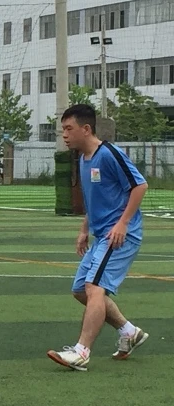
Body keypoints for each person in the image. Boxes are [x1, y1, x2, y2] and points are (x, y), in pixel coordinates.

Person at [47, 104, 149, 371]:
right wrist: (84, 229)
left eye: (68, 129)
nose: (64, 135)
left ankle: (81, 352)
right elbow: (94, 200)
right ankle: (128, 331)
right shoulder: (83, 159)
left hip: (120, 236)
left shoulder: (109, 154)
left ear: (86, 129)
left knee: (94, 288)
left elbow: (140, 186)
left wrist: (123, 224)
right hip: (101, 235)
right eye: (62, 130)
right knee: (81, 290)